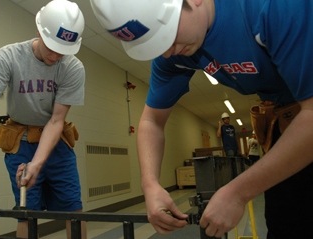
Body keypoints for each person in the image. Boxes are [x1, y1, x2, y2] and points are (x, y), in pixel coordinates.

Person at [90, 0, 313, 238]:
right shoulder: (175, 51)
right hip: (286, 115)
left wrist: (238, 192)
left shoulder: (275, 7)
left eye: (165, 34)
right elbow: (151, 121)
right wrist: (150, 184)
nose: (166, 51)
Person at [0, 0, 87, 238]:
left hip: (56, 142)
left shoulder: (73, 68)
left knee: (73, 209)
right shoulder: (8, 57)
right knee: (26, 210)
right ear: (39, 31)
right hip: (19, 141)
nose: (55, 56)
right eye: (51, 46)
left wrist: (38, 162)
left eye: (63, 50)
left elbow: (56, 120)